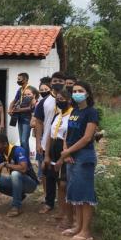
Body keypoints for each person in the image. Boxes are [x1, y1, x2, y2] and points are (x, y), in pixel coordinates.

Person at [55, 81, 98, 240]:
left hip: (84, 157)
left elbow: (87, 137)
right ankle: (78, 226)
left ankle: (86, 231)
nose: (77, 93)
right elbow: (67, 133)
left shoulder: (91, 112)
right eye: (74, 91)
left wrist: (68, 151)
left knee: (85, 195)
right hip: (71, 157)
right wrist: (66, 152)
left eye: (80, 90)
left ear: (87, 93)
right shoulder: (74, 112)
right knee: (76, 193)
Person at [41, 90, 74, 228]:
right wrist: (46, 155)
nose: (59, 101)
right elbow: (49, 135)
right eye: (57, 99)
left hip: (65, 150)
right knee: (51, 179)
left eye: (62, 99)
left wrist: (63, 157)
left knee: (63, 184)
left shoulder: (73, 115)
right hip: (53, 148)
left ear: (69, 100)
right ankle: (60, 211)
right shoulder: (57, 115)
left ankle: (69, 214)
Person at [34, 72, 66, 201]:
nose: (57, 83)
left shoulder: (68, 100)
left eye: (60, 80)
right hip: (46, 143)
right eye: (55, 81)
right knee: (46, 173)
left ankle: (62, 198)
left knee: (61, 175)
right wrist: (38, 143)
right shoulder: (44, 102)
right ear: (51, 83)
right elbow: (39, 123)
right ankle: (47, 197)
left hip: (63, 143)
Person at [0, 134, 38, 217]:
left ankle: (16, 207)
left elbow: (23, 168)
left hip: (30, 184)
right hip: (17, 182)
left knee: (15, 174)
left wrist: (5, 164)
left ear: (5, 144)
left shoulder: (18, 150)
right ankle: (19, 196)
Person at [31, 78, 53, 181]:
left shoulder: (58, 101)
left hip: (53, 135)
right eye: (41, 89)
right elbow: (34, 122)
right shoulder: (40, 103)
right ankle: (40, 176)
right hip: (42, 136)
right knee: (41, 158)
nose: (44, 91)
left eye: (46, 89)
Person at [8, 73, 33, 158]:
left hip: (28, 118)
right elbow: (14, 100)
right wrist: (10, 109)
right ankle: (23, 159)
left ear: (25, 79)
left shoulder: (31, 90)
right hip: (19, 117)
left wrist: (19, 110)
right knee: (22, 141)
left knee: (24, 140)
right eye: (17, 79)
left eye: (19, 79)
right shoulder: (20, 90)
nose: (18, 81)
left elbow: (32, 107)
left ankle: (26, 160)